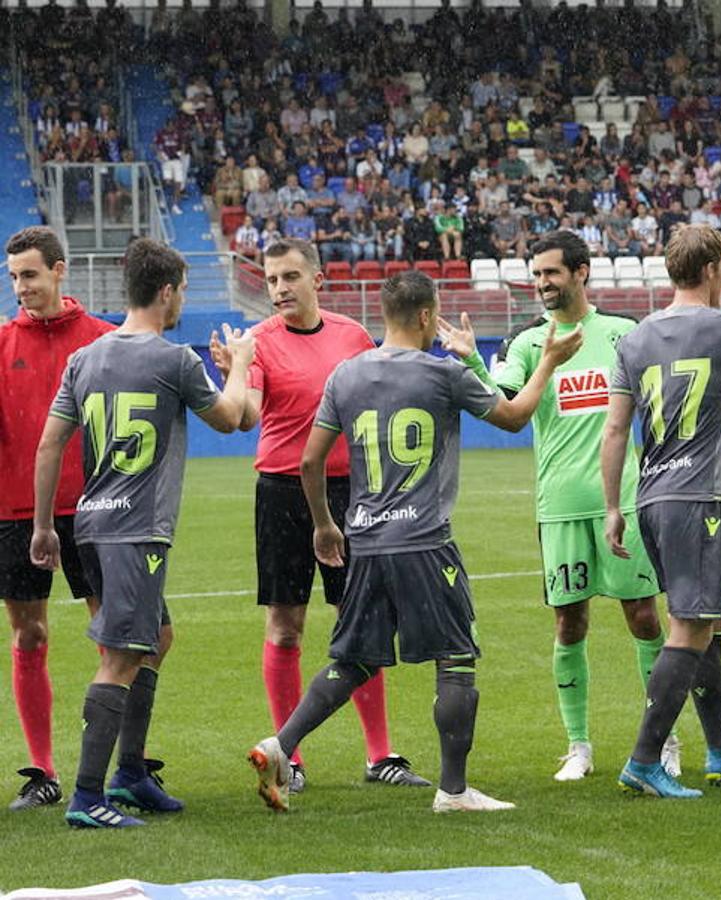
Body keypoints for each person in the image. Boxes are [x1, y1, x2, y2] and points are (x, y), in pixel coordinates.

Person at [247, 270, 584, 813]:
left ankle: (280, 744)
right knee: (455, 658)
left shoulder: (346, 376)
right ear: (427, 316)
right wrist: (548, 360)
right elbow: (516, 416)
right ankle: (453, 791)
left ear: (384, 314)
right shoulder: (443, 375)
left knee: (353, 659)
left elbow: (310, 461)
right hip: (426, 542)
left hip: (367, 542)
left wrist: (324, 525)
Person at [30, 238, 255, 827]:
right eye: (179, 289)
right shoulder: (174, 360)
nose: (181, 299)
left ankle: (130, 774)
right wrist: (242, 368)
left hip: (89, 522)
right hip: (135, 530)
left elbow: (51, 441)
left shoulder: (86, 358)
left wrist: (42, 525)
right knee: (123, 657)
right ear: (165, 291)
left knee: (156, 637)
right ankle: (87, 796)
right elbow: (232, 419)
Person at [209, 238, 427, 793]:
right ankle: (290, 755)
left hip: (353, 492)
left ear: (317, 280)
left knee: (362, 623)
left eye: (289, 277)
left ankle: (381, 755)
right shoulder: (257, 342)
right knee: (286, 627)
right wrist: (235, 372)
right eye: (271, 279)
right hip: (283, 492)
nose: (279, 288)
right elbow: (248, 415)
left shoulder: (351, 337)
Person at [602, 224, 721, 799]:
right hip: (697, 497)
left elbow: (614, 427)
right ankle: (644, 759)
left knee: (712, 615)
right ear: (711, 270)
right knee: (691, 625)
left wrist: (613, 506)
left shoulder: (635, 339)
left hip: (651, 495)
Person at [488, 231, 673, 782]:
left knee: (643, 617)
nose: (542, 284)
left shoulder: (622, 333)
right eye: (536, 274)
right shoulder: (524, 343)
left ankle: (662, 741)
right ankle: (578, 746)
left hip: (626, 502)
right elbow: (504, 409)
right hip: (561, 505)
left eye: (551, 273)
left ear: (582, 272)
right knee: (569, 623)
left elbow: (662, 395)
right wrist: (473, 362)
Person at [1, 227, 114, 810]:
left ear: (59, 271)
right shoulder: (0, 344)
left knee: (113, 638)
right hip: (16, 513)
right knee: (30, 634)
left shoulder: (102, 342)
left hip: (96, 510)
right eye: (14, 276)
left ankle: (118, 766)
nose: (22, 287)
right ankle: (42, 772)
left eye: (31, 275)